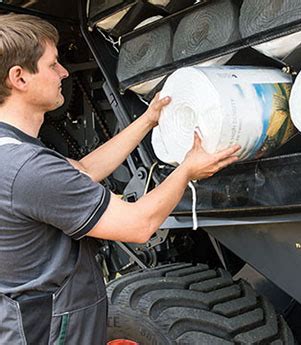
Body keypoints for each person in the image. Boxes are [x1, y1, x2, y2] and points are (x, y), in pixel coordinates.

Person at [0, 13, 240, 344]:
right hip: (51, 329)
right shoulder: (27, 167)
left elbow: (81, 171)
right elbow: (137, 226)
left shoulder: (10, 149)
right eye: (53, 64)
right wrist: (188, 169)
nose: (64, 73)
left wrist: (147, 120)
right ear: (19, 78)